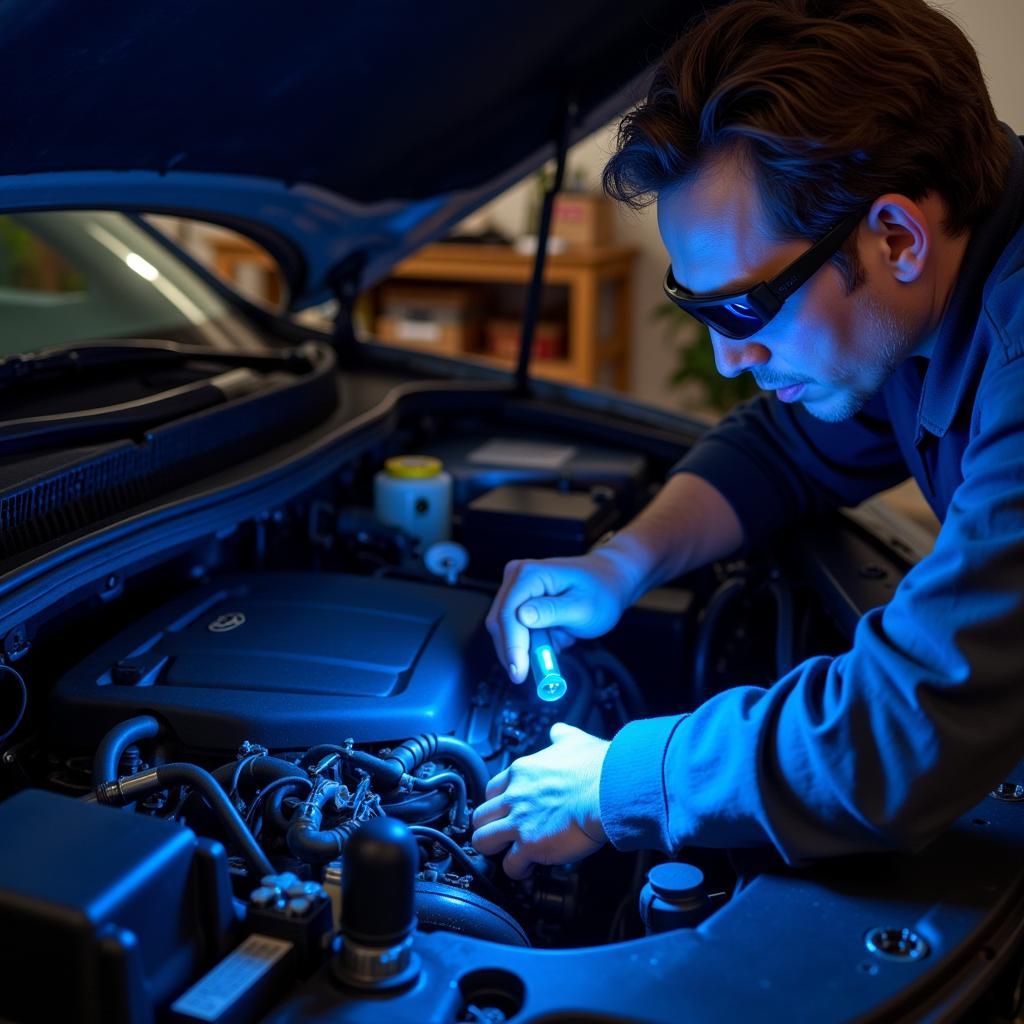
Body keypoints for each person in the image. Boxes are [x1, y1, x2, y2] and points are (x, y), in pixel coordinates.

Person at [471, 0, 1024, 881]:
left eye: (747, 307)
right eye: (700, 309)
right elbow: (782, 450)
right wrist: (621, 566)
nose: (731, 357)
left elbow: (907, 729)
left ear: (896, 236)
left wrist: (613, 781)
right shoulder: (921, 298)